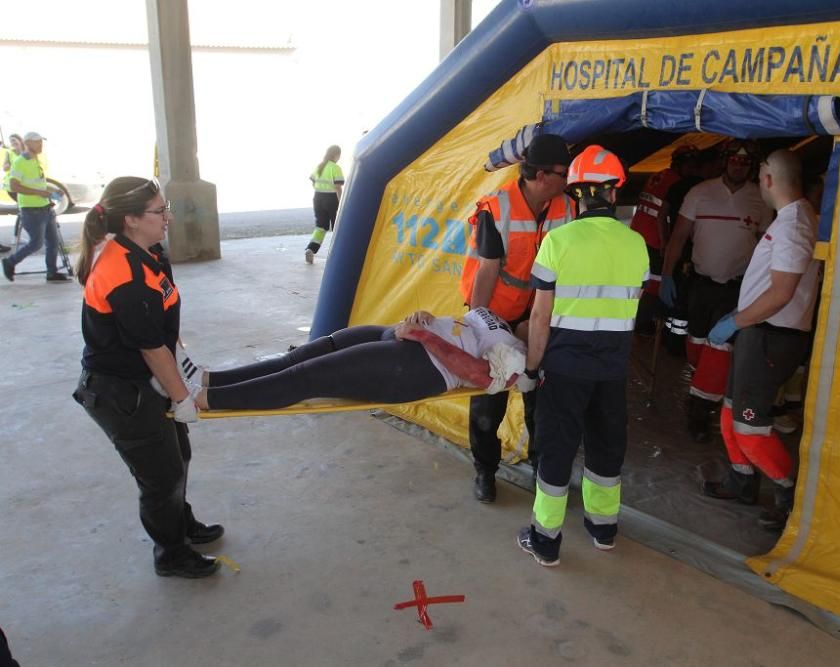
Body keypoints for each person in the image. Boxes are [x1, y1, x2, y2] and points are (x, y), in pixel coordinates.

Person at [71, 176, 223, 578]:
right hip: (121, 394)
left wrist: (183, 371)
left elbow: (163, 332)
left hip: (143, 381)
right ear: (132, 219)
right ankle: (170, 553)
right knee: (161, 476)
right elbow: (150, 347)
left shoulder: (143, 252)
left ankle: (181, 524)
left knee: (178, 456)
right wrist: (183, 397)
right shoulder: (122, 271)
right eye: (160, 210)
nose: (168, 216)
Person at [516, 145, 649, 567]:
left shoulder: (558, 241)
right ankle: (603, 529)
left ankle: (546, 539)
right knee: (606, 448)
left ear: (575, 196)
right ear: (613, 194)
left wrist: (532, 370)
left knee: (556, 451)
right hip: (611, 369)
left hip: (564, 369)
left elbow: (540, 317)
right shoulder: (637, 245)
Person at [701, 149, 822, 533]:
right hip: (759, 331)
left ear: (768, 180)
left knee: (750, 429)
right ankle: (743, 481)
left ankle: (789, 496)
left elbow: (782, 291)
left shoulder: (795, 224)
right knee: (730, 413)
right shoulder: (790, 219)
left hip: (773, 335)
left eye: (760, 176)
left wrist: (735, 321)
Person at [458, 133, 574, 503]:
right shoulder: (496, 208)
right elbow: (487, 271)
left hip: (541, 314)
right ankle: (485, 471)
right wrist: (482, 328)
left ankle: (543, 474)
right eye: (563, 172)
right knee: (489, 403)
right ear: (541, 175)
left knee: (542, 399)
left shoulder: (568, 208)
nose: (568, 178)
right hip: (495, 313)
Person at [192, 307, 530, 411]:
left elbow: (485, 377)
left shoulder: (516, 350)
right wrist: (425, 318)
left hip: (418, 367)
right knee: (297, 358)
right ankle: (207, 379)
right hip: (403, 338)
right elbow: (459, 330)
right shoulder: (495, 317)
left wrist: (424, 336)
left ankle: (203, 399)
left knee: (307, 376)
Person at [658, 139, 772, 442]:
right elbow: (679, 236)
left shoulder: (760, 200)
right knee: (696, 347)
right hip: (700, 285)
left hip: (736, 289)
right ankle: (703, 388)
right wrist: (666, 275)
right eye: (734, 160)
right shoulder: (700, 193)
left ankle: (700, 411)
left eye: (745, 162)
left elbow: (766, 247)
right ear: (724, 161)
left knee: (719, 352)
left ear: (753, 167)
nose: (739, 165)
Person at [630, 145, 699, 336]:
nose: (692, 170)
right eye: (690, 165)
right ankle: (644, 324)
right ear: (680, 164)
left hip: (638, 233)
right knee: (653, 284)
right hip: (653, 238)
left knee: (640, 280)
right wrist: (664, 242)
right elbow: (663, 215)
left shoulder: (658, 175)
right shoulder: (676, 184)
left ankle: (639, 321)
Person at [2, 132, 68, 282]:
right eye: (38, 143)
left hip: (45, 208)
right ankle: (10, 261)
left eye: (41, 143)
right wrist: (39, 192)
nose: (41, 146)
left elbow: (38, 183)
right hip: (31, 210)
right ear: (28, 143)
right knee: (36, 243)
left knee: (53, 242)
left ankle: (52, 272)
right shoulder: (20, 161)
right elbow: (14, 186)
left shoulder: (36, 160)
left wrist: (52, 192)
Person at [305, 144, 345, 264]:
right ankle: (337, 255)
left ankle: (311, 249)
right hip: (331, 198)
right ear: (336, 155)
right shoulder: (335, 168)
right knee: (337, 227)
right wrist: (341, 201)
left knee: (320, 227)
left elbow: (313, 182)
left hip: (317, 198)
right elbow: (338, 187)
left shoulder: (319, 166)